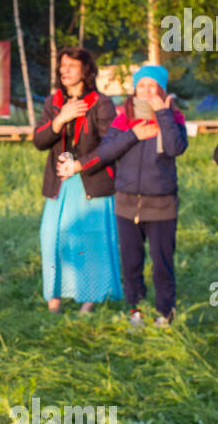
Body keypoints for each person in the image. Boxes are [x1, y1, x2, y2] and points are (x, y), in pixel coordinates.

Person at [60, 64, 187, 327]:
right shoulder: (123, 117)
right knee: (131, 263)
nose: (146, 91)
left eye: (152, 86)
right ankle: (135, 311)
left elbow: (176, 148)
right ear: (135, 89)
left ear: (161, 89)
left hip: (161, 205)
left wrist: (163, 113)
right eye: (142, 86)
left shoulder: (174, 117)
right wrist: (134, 134)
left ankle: (165, 313)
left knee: (162, 265)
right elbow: (107, 150)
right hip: (127, 204)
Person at [32, 47, 121, 314]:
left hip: (89, 183)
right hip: (59, 185)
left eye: (71, 65)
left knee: (88, 242)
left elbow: (112, 144)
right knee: (51, 238)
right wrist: (60, 119)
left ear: (86, 70)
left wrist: (79, 164)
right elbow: (39, 141)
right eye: (62, 66)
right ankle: (54, 299)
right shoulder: (53, 101)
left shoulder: (101, 103)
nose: (64, 70)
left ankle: (88, 301)